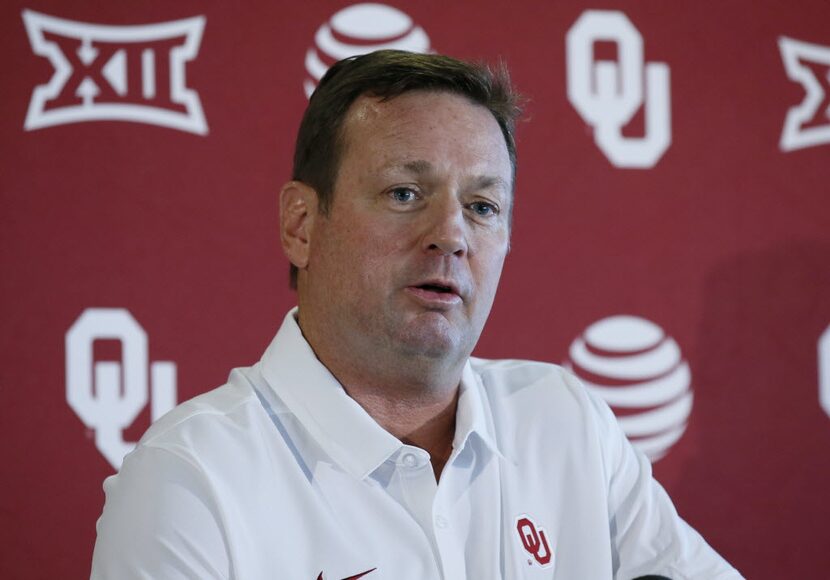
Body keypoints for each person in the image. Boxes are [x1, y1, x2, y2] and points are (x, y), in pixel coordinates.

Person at [91, 50, 743, 579]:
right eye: (405, 193)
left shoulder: (565, 423)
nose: (451, 235)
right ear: (300, 225)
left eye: (483, 207)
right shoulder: (191, 481)